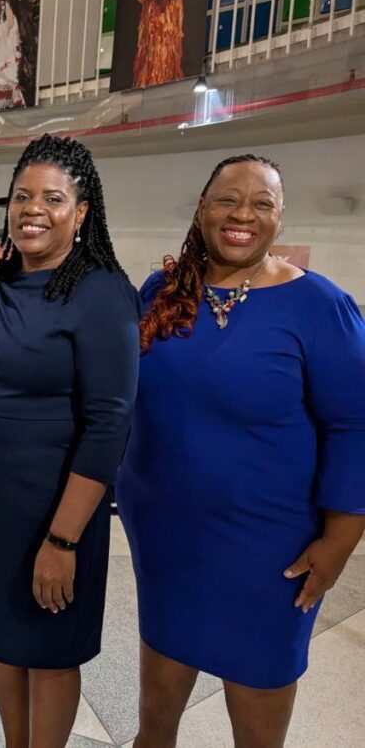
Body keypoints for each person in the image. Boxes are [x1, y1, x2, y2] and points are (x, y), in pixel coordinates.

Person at [116, 155, 365, 748]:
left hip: (267, 547)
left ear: (280, 217)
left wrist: (340, 540)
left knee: (257, 715)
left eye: (261, 203)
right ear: (202, 208)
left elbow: (356, 427)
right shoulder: (163, 290)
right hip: (166, 540)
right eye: (228, 199)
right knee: (156, 713)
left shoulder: (321, 308)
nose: (242, 215)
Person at [0, 134, 139, 748]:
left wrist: (63, 539)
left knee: (51, 653)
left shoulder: (101, 292)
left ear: (81, 212)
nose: (34, 208)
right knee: (0, 642)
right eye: (23, 195)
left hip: (57, 510)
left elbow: (110, 422)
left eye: (53, 198)